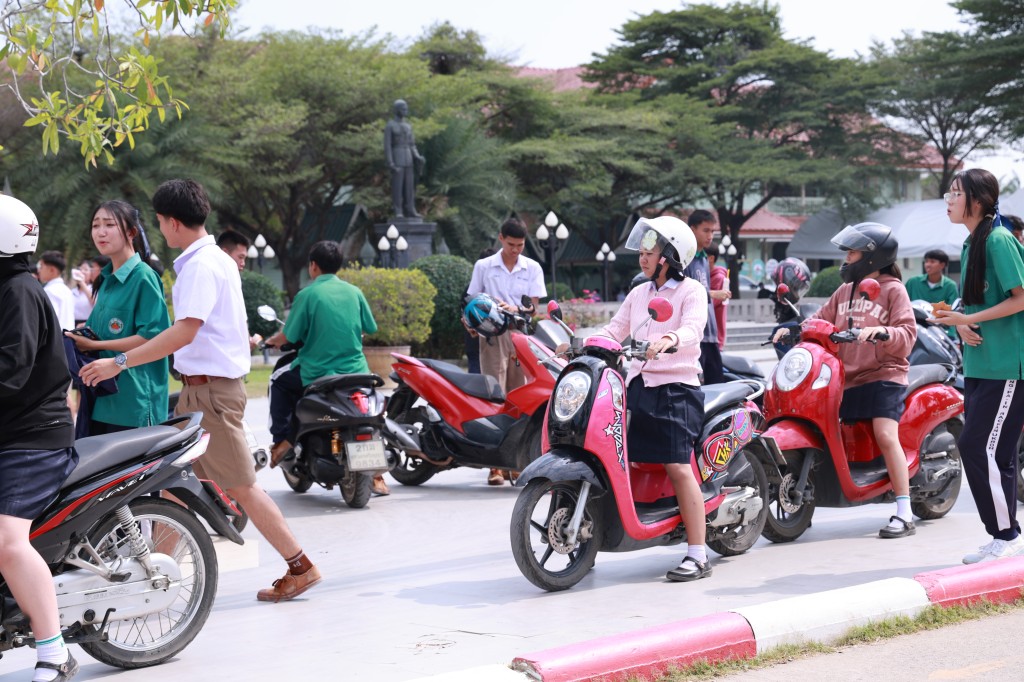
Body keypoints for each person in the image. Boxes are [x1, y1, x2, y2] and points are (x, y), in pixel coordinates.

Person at [80, 179, 320, 602]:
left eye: (158, 221)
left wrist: (118, 360)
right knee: (177, 484)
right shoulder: (214, 259)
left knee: (243, 485)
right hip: (202, 390)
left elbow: (183, 332)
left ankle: (300, 564)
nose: (161, 230)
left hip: (212, 393)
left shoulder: (199, 265)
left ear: (172, 222)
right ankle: (154, 576)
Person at [772, 222, 917, 539]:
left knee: (885, 434)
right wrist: (795, 327)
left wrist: (882, 332)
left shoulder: (893, 290)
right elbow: (819, 319)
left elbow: (907, 334)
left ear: (871, 257)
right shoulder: (844, 292)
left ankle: (904, 511)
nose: (846, 258)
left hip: (884, 374)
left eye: (851, 252)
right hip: (847, 377)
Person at [596, 215, 711, 581]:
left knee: (678, 466)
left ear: (671, 255)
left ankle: (698, 554)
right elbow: (615, 330)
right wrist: (581, 343)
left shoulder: (691, 291)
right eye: (641, 251)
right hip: (639, 387)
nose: (643, 258)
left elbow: (692, 328)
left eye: (651, 251)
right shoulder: (639, 293)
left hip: (677, 389)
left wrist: (669, 340)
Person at [0, 195, 80, 681]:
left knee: (7, 541)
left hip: (32, 438)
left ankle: (54, 650)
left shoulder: (18, 292)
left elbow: (11, 368)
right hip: (11, 433)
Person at [932, 168, 1024, 564]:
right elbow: (978, 305)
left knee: (975, 446)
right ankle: (1003, 537)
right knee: (995, 453)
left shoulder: (1000, 239)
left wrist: (973, 319)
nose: (949, 200)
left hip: (1007, 366)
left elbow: (1020, 298)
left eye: (956, 193)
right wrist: (964, 321)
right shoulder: (973, 242)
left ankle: (1006, 535)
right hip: (982, 364)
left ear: (978, 200)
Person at [264, 240, 380, 487]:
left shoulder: (307, 294)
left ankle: (281, 440)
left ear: (313, 266)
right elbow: (370, 327)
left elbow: (290, 336)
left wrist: (272, 341)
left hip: (316, 371)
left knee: (278, 381)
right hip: (357, 371)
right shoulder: (354, 292)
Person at [65, 200, 170, 434]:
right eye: (95, 225)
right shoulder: (106, 281)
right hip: (102, 401)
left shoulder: (143, 277)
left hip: (134, 404)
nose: (100, 232)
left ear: (131, 232)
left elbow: (154, 338)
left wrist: (96, 344)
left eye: (109, 224)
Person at [465, 217, 546, 485]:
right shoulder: (484, 266)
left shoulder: (532, 267)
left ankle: (514, 462)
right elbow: (471, 299)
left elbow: (534, 308)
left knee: (519, 396)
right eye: (511, 244)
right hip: (491, 334)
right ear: (500, 238)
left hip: (521, 335)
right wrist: (472, 320)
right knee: (494, 393)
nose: (516, 250)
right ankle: (494, 466)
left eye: (520, 245)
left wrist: (517, 309)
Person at [683, 210, 730, 383]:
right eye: (705, 230)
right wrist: (712, 293)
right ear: (692, 229)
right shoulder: (684, 259)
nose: (710, 235)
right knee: (694, 384)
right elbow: (685, 293)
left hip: (710, 332)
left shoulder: (704, 259)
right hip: (694, 334)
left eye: (712, 231)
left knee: (717, 382)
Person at [903, 249, 959, 339]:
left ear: (942, 265)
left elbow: (952, 312)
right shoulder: (912, 282)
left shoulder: (950, 286)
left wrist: (952, 337)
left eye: (932, 262)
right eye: (926, 261)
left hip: (941, 333)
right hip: (914, 330)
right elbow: (902, 306)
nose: (927, 265)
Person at [384, 99, 425, 219]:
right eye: (403, 109)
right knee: (397, 187)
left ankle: (411, 209)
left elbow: (412, 144)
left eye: (406, 109)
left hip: (408, 158)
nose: (406, 111)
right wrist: (390, 162)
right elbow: (387, 146)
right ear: (397, 110)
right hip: (397, 158)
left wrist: (417, 156)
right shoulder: (390, 126)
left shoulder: (408, 126)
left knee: (409, 187)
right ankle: (398, 210)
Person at [37, 250, 75, 331]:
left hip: (56, 339)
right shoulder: (67, 290)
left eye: (41, 266)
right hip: (68, 338)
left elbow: (47, 321)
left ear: (52, 270)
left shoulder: (49, 291)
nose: (39, 270)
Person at [70, 256, 107, 326]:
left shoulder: (95, 289)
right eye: (80, 269)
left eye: (86, 269)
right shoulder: (72, 291)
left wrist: (82, 283)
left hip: (87, 323)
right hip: (72, 323)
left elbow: (96, 303)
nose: (82, 272)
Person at [706, 243, 728, 350]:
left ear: (711, 258)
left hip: (714, 336)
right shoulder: (706, 274)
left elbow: (709, 303)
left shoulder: (718, 277)